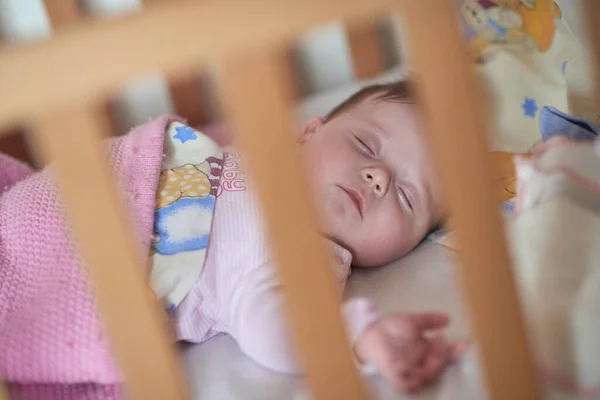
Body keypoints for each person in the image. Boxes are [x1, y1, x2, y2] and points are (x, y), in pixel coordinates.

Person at [0, 80, 465, 399]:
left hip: (47, 283)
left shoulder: (307, 257)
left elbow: (276, 328)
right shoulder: (245, 152)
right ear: (308, 132)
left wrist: (356, 337)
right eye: (365, 146)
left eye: (406, 197)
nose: (377, 177)